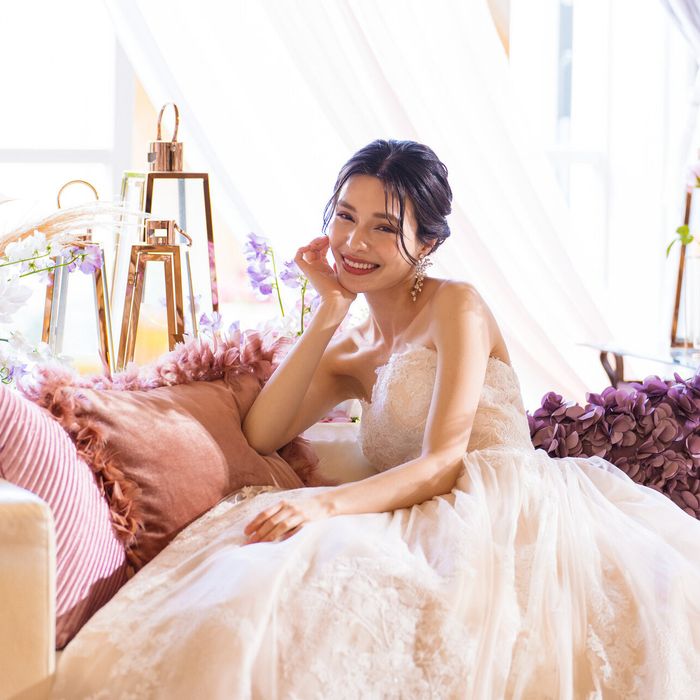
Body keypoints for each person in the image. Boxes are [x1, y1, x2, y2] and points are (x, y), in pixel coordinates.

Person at [51, 140, 700, 699]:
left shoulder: (457, 307)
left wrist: (324, 505)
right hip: (409, 512)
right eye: (345, 216)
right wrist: (328, 311)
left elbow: (445, 462)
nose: (354, 242)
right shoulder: (353, 349)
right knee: (263, 582)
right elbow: (262, 435)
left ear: (428, 242)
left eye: (385, 228)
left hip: (507, 513)